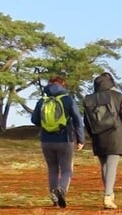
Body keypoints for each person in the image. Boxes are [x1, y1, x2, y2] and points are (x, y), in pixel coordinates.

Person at [30, 76, 85, 208]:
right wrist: (80, 139)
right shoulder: (67, 99)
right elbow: (78, 120)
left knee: (52, 169)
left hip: (46, 140)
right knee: (67, 170)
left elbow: (34, 120)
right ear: (63, 85)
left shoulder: (42, 101)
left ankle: (54, 199)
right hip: (65, 139)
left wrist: (47, 124)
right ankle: (61, 190)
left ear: (49, 85)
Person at [83, 72, 122, 209]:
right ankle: (108, 195)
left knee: (105, 166)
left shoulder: (89, 99)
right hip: (115, 134)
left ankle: (109, 194)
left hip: (98, 136)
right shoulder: (117, 96)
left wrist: (92, 134)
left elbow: (86, 120)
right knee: (112, 165)